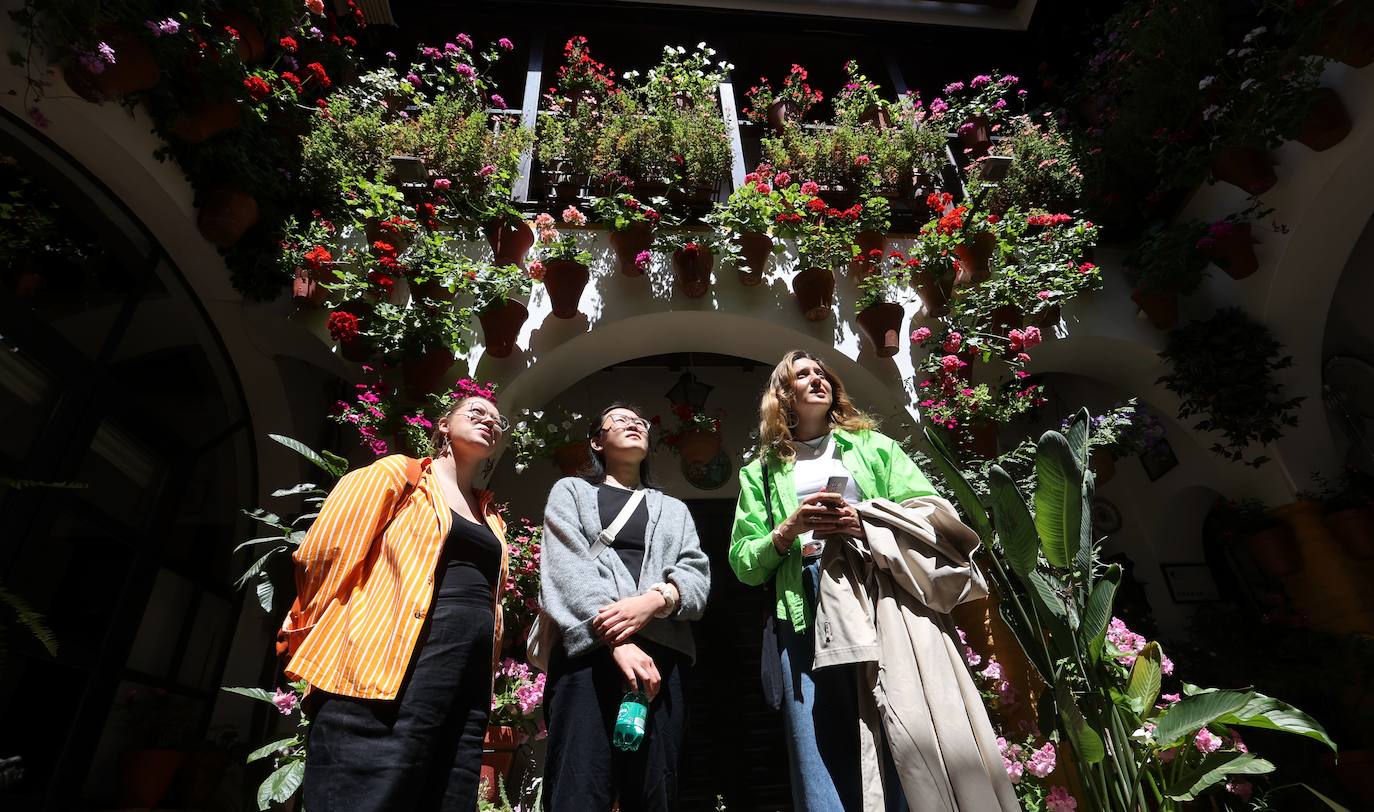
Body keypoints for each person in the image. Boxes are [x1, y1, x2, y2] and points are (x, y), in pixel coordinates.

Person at [728, 350, 956, 810]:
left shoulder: (873, 447)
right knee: (816, 732)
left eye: (821, 372)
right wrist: (788, 530)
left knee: (895, 713)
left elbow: (926, 510)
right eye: (802, 375)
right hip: (803, 600)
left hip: (873, 590)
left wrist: (862, 524)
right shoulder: (761, 472)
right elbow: (743, 563)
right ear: (783, 396)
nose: (817, 379)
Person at [280, 395, 511, 811]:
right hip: (384, 673)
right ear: (443, 425)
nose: (488, 420)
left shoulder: (490, 516)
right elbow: (323, 555)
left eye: (497, 419)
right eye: (475, 412)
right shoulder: (398, 477)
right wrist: (330, 636)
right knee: (364, 794)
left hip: (462, 692)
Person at [539, 403, 712, 811]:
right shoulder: (572, 492)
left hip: (660, 666)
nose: (634, 423)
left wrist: (655, 600)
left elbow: (697, 576)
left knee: (656, 792)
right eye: (619, 420)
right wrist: (615, 639)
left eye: (640, 421)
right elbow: (566, 570)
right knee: (578, 789)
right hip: (588, 661)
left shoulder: (675, 510)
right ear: (597, 442)